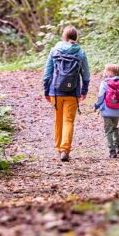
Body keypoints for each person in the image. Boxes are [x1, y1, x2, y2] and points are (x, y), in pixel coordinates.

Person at [43, 26, 90, 162]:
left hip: (55, 92)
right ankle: (65, 149)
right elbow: (86, 75)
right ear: (76, 37)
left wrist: (46, 90)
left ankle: (59, 148)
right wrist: (84, 90)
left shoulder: (55, 50)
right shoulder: (80, 53)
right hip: (73, 92)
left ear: (63, 37)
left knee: (58, 120)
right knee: (68, 120)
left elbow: (47, 73)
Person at [93, 64, 119, 158]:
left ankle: (112, 150)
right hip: (117, 110)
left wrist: (96, 105)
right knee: (115, 127)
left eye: (106, 70)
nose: (104, 71)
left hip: (106, 110)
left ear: (111, 73)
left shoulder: (105, 83)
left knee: (108, 130)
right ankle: (118, 146)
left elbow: (100, 97)